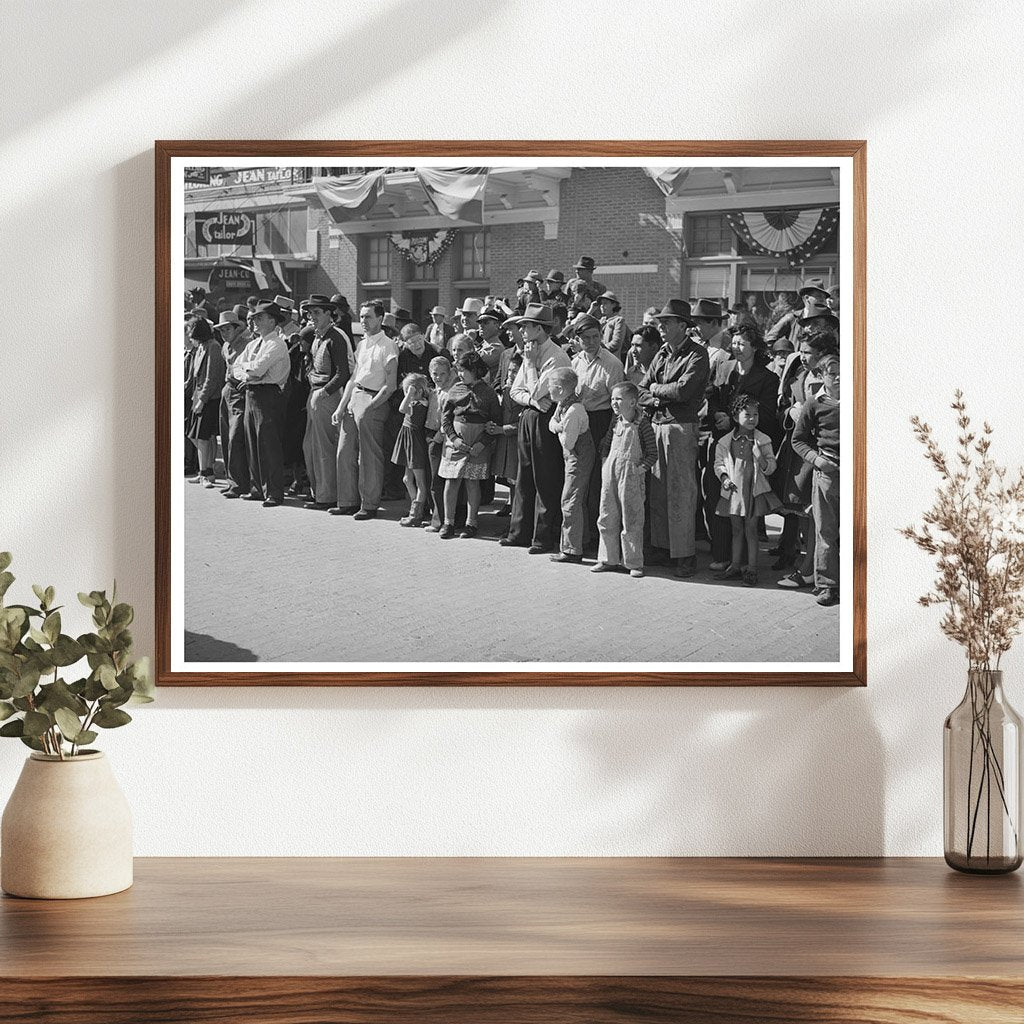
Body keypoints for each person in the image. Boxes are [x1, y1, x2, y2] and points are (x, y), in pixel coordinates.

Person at [638, 299, 710, 577]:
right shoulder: (664, 353)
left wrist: (655, 390)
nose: (661, 327)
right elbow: (642, 390)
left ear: (683, 325)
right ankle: (663, 548)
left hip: (681, 428)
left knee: (681, 493)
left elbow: (684, 391)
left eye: (666, 323)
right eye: (660, 323)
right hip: (657, 425)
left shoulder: (697, 354)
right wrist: (656, 394)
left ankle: (685, 555)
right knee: (658, 492)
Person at [702, 321, 781, 570]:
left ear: (755, 347)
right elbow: (712, 396)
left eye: (742, 343)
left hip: (748, 445)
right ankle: (722, 554)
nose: (736, 347)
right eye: (734, 342)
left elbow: (767, 412)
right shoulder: (724, 367)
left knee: (746, 501)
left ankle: (746, 561)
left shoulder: (768, 377)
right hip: (722, 439)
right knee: (717, 493)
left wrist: (735, 419)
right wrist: (718, 415)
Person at [502, 303, 572, 553]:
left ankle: (543, 536)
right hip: (531, 415)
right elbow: (516, 390)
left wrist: (530, 365)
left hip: (547, 419)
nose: (521, 330)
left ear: (539, 328)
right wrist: (532, 400)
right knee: (524, 476)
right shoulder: (529, 351)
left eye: (525, 326)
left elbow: (538, 389)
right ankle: (519, 532)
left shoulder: (556, 356)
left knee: (545, 477)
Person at [331, 300, 399, 520]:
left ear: (380, 318)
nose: (364, 321)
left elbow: (390, 386)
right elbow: (354, 378)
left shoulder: (387, 346)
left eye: (368, 317)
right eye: (361, 317)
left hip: (374, 400)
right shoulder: (362, 344)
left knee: (369, 456)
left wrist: (369, 408)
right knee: (344, 451)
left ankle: (369, 504)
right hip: (355, 397)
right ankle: (347, 501)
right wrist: (342, 406)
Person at [570, 313, 625, 553]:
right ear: (578, 339)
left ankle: (596, 537)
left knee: (598, 484)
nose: (592, 342)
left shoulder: (612, 363)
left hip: (602, 421)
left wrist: (609, 436)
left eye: (596, 336)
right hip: (580, 421)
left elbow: (617, 406)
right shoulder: (574, 362)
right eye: (586, 338)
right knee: (578, 481)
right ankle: (581, 535)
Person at [591, 381, 658, 579]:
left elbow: (653, 454)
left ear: (632, 402)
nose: (614, 403)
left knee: (632, 519)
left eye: (618, 399)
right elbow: (606, 444)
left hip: (631, 477)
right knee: (606, 515)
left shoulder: (643, 424)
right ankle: (607, 558)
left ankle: (633, 562)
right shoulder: (615, 421)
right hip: (610, 472)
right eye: (612, 399)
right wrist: (604, 463)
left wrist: (640, 469)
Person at [713, 393, 781, 586]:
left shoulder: (763, 440)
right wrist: (724, 478)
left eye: (755, 414)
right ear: (735, 417)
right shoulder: (726, 441)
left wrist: (760, 458)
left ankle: (751, 568)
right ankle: (735, 566)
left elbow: (771, 466)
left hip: (752, 491)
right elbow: (719, 463)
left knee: (751, 530)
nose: (752, 419)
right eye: (747, 415)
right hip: (734, 491)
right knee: (736, 529)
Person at [791, 353, 840, 607]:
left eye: (843, 370)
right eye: (833, 372)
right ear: (821, 376)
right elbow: (797, 440)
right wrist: (817, 460)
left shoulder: (860, 397)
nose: (840, 376)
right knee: (825, 532)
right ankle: (827, 586)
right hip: (827, 475)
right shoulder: (814, 403)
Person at [437, 351, 501, 539]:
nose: (461, 374)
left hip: (477, 445)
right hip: (455, 444)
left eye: (464, 370)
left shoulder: (488, 392)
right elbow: (446, 418)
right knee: (452, 481)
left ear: (475, 370)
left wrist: (483, 443)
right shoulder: (455, 389)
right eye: (459, 370)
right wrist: (454, 439)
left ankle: (471, 523)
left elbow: (495, 421)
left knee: (472, 483)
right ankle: (448, 523)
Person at [234, 301, 291, 507]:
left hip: (269, 395)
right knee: (252, 442)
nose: (255, 322)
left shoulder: (277, 344)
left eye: (260, 317)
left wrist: (249, 372)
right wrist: (250, 374)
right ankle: (257, 487)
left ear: (272, 320)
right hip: (252, 393)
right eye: (254, 318)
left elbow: (258, 369)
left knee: (269, 444)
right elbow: (235, 368)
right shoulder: (252, 344)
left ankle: (274, 492)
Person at [300, 295, 351, 510]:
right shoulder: (318, 337)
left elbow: (343, 373)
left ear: (330, 314)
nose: (312, 317)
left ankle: (327, 496)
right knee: (309, 446)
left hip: (328, 396)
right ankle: (318, 490)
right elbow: (313, 365)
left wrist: (324, 392)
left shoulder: (335, 337)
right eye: (310, 313)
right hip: (316, 393)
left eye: (317, 312)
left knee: (324, 448)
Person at [546, 367, 595, 565]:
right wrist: (558, 426)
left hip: (578, 456)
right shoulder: (563, 404)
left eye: (550, 386)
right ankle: (581, 540)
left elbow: (567, 442)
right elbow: (552, 422)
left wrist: (558, 428)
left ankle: (572, 550)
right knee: (576, 499)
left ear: (559, 388)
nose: (548, 389)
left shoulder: (573, 410)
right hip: (572, 456)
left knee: (570, 501)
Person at [487, 316, 525, 517]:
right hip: (505, 410)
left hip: (519, 414)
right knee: (508, 470)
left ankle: (518, 510)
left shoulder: (531, 354)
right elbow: (498, 381)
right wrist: (500, 395)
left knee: (518, 468)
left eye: (512, 329)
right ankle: (511, 504)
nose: (509, 333)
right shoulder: (506, 354)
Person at [423, 355, 466, 532]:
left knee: (440, 480)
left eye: (442, 374)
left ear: (450, 373)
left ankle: (443, 520)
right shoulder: (435, 390)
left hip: (443, 437)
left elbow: (448, 417)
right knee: (434, 478)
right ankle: (439, 517)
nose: (438, 377)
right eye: (435, 374)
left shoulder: (451, 392)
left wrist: (438, 437)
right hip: (431, 433)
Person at [213, 310, 252, 499]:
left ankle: (240, 483)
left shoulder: (246, 344)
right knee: (227, 435)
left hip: (239, 391)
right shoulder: (225, 346)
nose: (224, 333)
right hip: (227, 390)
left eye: (227, 329)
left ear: (237, 328)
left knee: (236, 436)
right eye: (221, 330)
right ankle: (232, 481)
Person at [185, 317, 226, 488]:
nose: (188, 334)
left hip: (209, 397)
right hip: (199, 395)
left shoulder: (213, 347)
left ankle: (205, 473)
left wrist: (202, 399)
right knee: (199, 436)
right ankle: (207, 471)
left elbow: (212, 377)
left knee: (201, 437)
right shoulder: (201, 347)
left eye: (190, 331)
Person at [392, 373, 431, 527]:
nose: (406, 393)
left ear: (419, 391)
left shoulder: (420, 404)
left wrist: (409, 394)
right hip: (407, 439)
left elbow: (402, 409)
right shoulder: (414, 403)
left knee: (420, 482)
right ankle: (415, 507)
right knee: (407, 479)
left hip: (415, 443)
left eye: (409, 390)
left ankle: (416, 514)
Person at [595, 291, 630, 358]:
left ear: (613, 305)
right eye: (601, 304)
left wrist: (600, 350)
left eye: (605, 303)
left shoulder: (618, 321)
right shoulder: (600, 321)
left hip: (612, 359)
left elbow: (616, 343)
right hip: (598, 358)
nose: (602, 306)